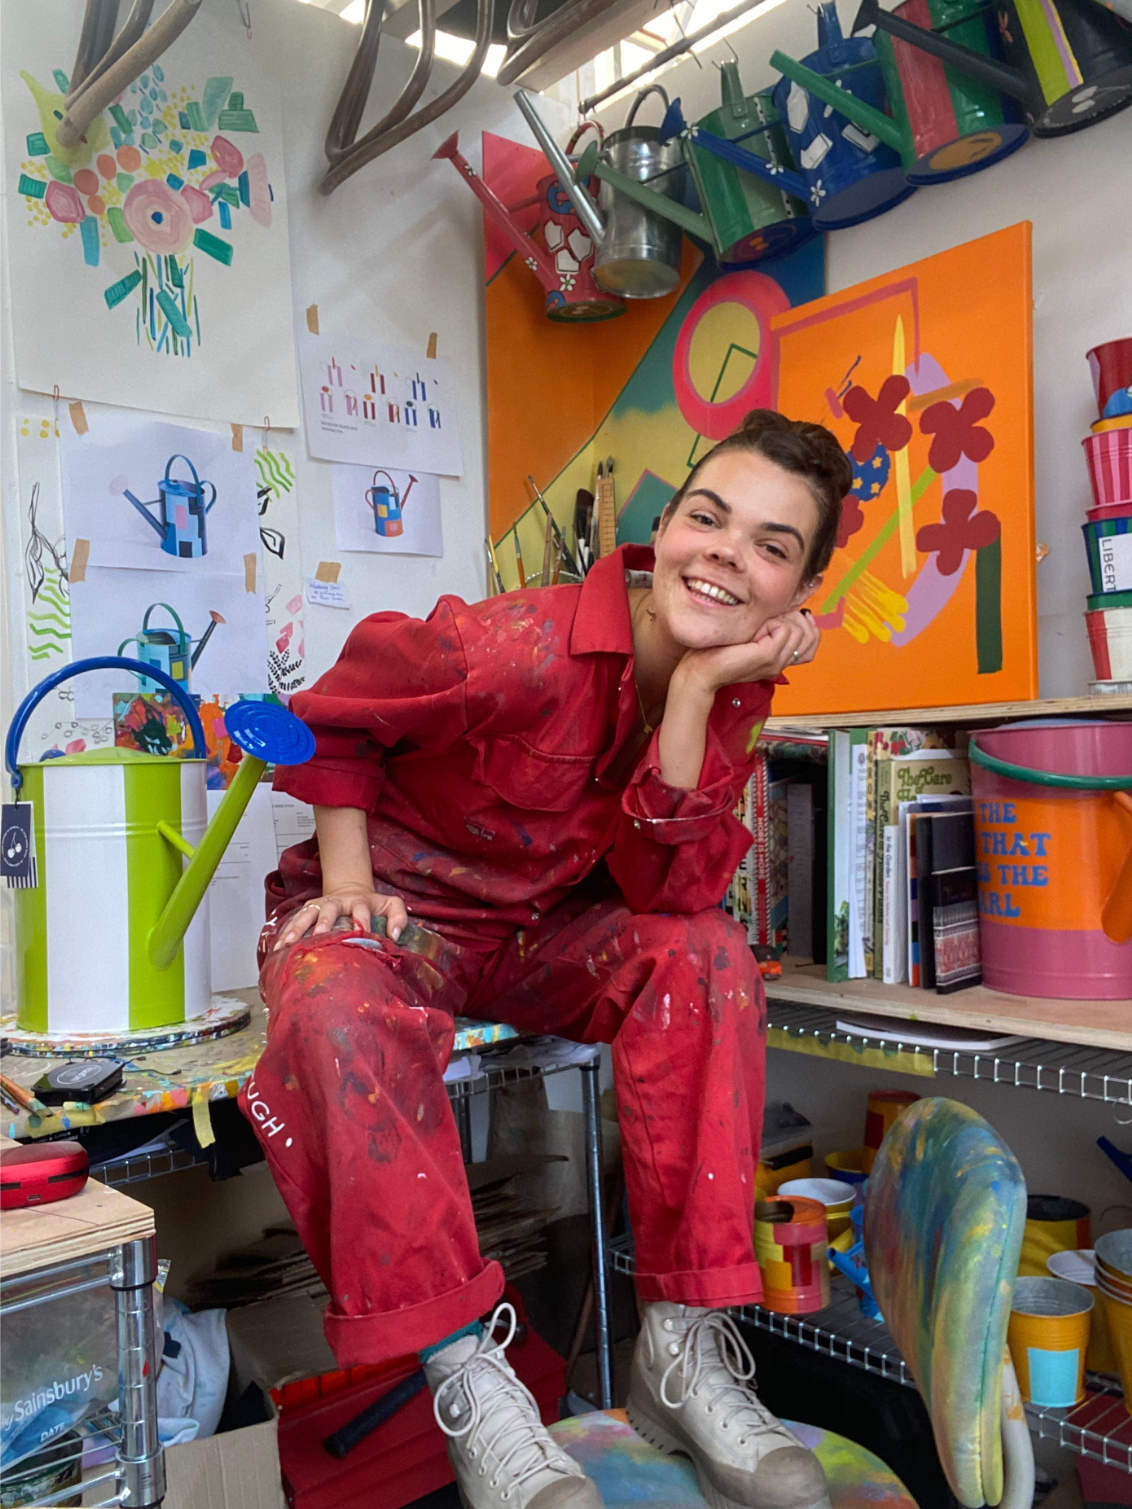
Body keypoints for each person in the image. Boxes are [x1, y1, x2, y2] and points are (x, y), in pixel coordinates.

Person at [240, 409, 852, 1509]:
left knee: (707, 955)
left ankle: (679, 1349)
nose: (724, 552)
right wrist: (343, 888)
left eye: (770, 545)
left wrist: (702, 691)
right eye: (706, 517)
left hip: (538, 939)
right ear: (663, 529)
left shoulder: (731, 686)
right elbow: (335, 717)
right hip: (405, 919)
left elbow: (671, 892)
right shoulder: (511, 644)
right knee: (335, 1007)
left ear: (795, 596)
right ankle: (470, 1380)